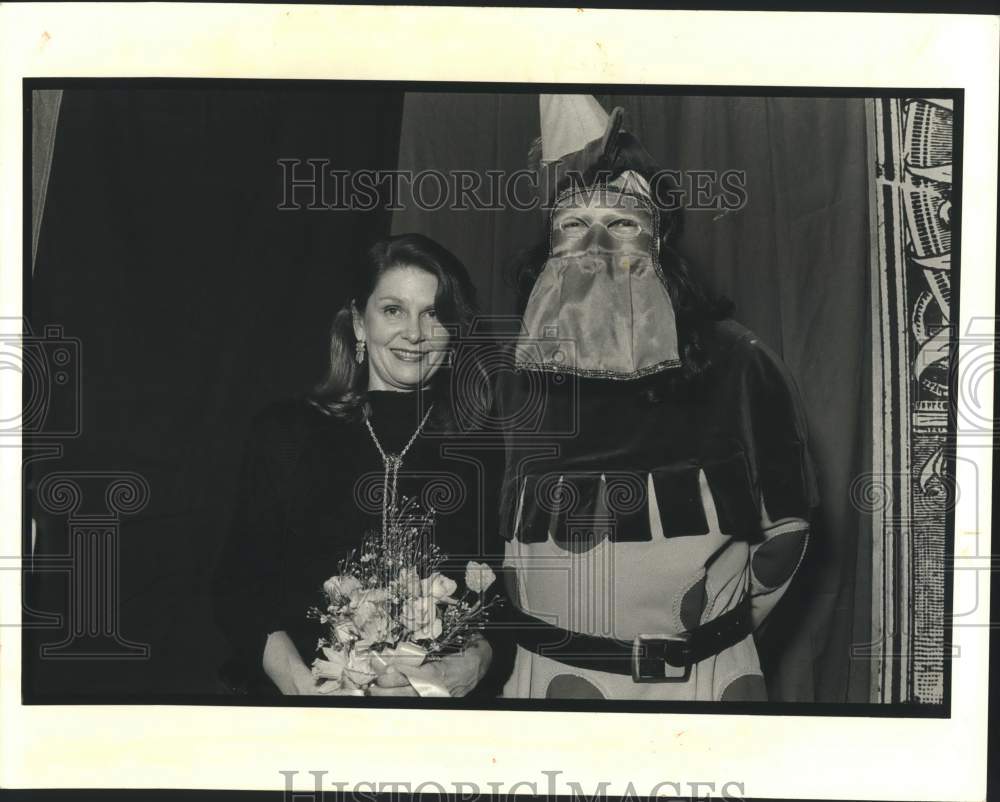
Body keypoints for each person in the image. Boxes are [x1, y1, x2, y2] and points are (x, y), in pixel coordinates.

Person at [496, 96, 819, 701]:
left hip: (700, 687)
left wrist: (706, 644)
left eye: (621, 221)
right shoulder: (515, 373)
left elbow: (787, 536)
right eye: (572, 223)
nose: (596, 243)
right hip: (545, 689)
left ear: (660, 234)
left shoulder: (739, 364)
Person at [212, 233, 511, 697]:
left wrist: (466, 668)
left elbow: (495, 600)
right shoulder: (286, 432)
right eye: (393, 310)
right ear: (358, 322)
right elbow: (238, 590)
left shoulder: (479, 448)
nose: (414, 332)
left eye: (433, 313)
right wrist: (304, 688)